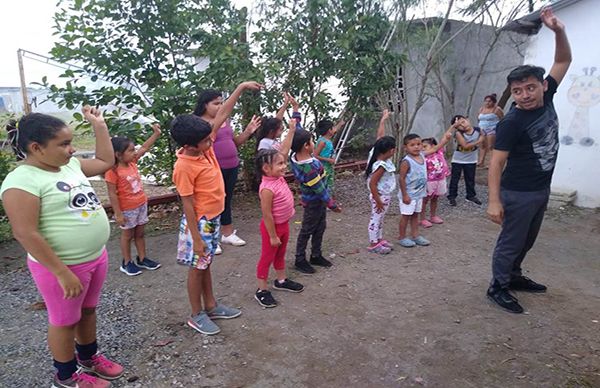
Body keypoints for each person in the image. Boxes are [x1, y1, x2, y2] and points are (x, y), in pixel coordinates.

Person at [1, 107, 124, 387]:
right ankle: (66, 375)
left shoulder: (69, 166)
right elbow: (25, 233)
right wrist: (61, 272)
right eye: (64, 144)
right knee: (65, 321)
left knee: (89, 310)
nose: (71, 150)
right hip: (63, 267)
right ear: (36, 148)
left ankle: (88, 357)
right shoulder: (22, 181)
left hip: (94, 257)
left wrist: (100, 126)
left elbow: (106, 161)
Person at [486, 7, 571, 314]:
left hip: (540, 190)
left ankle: (514, 276)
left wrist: (558, 30)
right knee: (511, 242)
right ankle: (497, 286)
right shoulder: (512, 123)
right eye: (517, 91)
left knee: (526, 241)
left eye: (530, 88)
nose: (523, 95)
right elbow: (495, 163)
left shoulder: (547, 99)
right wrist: (494, 201)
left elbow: (562, 61)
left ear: (543, 86)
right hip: (517, 193)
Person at [171, 81, 262, 335]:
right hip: (198, 224)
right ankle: (196, 313)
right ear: (191, 145)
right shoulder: (184, 167)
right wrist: (197, 238)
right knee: (197, 267)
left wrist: (241, 88)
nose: (211, 142)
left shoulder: (202, 149)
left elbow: (223, 114)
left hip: (212, 220)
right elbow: (187, 204)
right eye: (206, 141)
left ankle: (211, 305)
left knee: (206, 264)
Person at [193, 90, 262, 251]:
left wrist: (248, 131)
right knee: (210, 204)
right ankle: (210, 237)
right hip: (212, 170)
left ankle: (227, 233)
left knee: (226, 200)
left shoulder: (226, 121)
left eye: (221, 103)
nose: (219, 106)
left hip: (231, 165)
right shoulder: (199, 124)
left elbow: (234, 142)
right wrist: (242, 87)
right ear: (204, 105)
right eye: (215, 103)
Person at [254, 119, 304, 308]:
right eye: (280, 164)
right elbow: (267, 215)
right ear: (266, 169)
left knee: (281, 254)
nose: (284, 166)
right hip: (272, 229)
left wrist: (291, 129)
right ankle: (261, 289)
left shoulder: (278, 176)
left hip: (283, 225)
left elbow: (283, 150)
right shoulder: (267, 188)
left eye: (284, 163)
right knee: (267, 257)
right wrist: (273, 235)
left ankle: (281, 281)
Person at [105, 124, 162, 276]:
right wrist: (117, 213)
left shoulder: (132, 162)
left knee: (140, 233)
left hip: (141, 204)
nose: (134, 152)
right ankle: (126, 262)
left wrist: (156, 134)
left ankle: (142, 258)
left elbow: (144, 147)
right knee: (127, 235)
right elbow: (112, 193)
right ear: (118, 154)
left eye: (133, 149)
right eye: (130, 150)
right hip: (127, 209)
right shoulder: (113, 171)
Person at [290, 128, 342, 274]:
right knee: (307, 230)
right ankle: (300, 259)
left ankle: (316, 255)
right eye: (312, 141)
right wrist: (332, 205)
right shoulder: (309, 168)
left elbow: (297, 133)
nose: (314, 143)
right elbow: (320, 190)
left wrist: (295, 117)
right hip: (315, 202)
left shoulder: (294, 157)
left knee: (320, 227)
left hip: (312, 200)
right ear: (306, 146)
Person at [365, 110, 395, 254]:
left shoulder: (376, 153)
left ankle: (379, 239)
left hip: (383, 195)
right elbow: (372, 184)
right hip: (380, 196)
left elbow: (380, 136)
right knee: (376, 218)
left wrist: (383, 120)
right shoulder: (381, 165)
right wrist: (378, 200)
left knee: (381, 218)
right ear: (389, 151)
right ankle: (373, 244)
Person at [398, 134, 430, 248]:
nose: (416, 147)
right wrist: (405, 195)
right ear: (405, 147)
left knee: (416, 215)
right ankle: (402, 237)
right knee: (406, 216)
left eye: (418, 144)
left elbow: (436, 147)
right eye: (412, 145)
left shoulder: (422, 156)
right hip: (409, 195)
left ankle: (415, 235)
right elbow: (401, 178)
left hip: (419, 194)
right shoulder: (406, 161)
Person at [419, 127, 454, 228]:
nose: (422, 148)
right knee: (425, 200)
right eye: (421, 146)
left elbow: (444, 139)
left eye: (425, 146)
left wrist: (452, 127)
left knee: (435, 198)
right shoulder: (423, 155)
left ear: (433, 146)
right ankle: (422, 219)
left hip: (440, 179)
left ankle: (433, 216)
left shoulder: (439, 152)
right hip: (429, 181)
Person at [447, 115, 484, 206]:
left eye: (463, 122)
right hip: (458, 160)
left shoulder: (478, 130)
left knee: (470, 178)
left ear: (468, 120)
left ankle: (471, 195)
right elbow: (465, 146)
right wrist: (479, 141)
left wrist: (481, 158)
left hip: (471, 160)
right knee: (455, 179)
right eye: (459, 125)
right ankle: (452, 196)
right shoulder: (458, 133)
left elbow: (485, 144)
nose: (463, 125)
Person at [314, 118, 345, 195]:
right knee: (324, 184)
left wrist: (340, 124)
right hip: (323, 167)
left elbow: (335, 130)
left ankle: (328, 199)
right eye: (332, 128)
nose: (334, 129)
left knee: (329, 183)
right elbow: (315, 155)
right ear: (329, 130)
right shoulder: (322, 142)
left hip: (329, 167)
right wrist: (328, 160)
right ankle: (324, 201)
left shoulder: (327, 138)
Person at [477, 94, 504, 167]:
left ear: (493, 102)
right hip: (482, 129)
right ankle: (481, 161)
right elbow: (479, 118)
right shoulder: (481, 109)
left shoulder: (497, 109)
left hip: (492, 129)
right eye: (486, 101)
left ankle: (491, 163)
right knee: (482, 145)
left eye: (489, 101)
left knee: (490, 146)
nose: (487, 103)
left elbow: (502, 119)